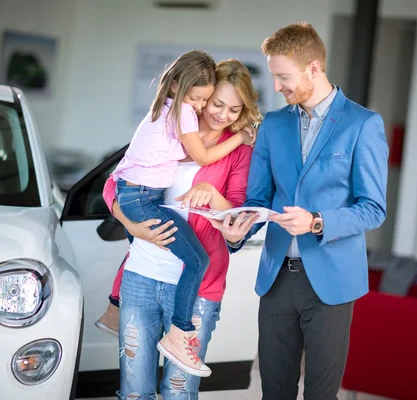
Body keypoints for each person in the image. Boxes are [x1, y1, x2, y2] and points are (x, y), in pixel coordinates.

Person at [210, 23, 389, 399]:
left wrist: (317, 222)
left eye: (283, 77)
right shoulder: (273, 125)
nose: (276, 87)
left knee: (320, 395)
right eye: (274, 76)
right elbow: (257, 200)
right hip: (277, 281)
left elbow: (373, 209)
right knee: (273, 391)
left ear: (313, 68)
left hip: (332, 283)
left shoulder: (363, 125)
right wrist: (238, 229)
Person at [103, 59, 262, 399]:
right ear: (200, 95)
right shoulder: (169, 127)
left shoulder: (238, 151)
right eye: (216, 103)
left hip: (199, 289)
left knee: (178, 392)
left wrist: (213, 196)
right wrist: (132, 224)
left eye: (235, 109)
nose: (222, 114)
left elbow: (237, 209)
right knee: (134, 392)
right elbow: (116, 183)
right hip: (142, 277)